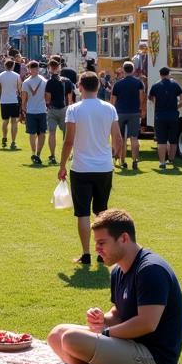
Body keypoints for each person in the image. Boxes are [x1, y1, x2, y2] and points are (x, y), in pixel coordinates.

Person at [48, 209, 182, 364]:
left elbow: (147, 323)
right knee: (56, 334)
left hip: (153, 359)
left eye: (102, 242)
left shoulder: (151, 270)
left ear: (124, 238)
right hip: (128, 346)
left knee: (71, 338)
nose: (97, 249)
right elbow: (119, 313)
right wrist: (103, 319)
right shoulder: (119, 270)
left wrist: (104, 333)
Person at [57, 71, 122, 266]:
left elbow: (68, 141)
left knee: (83, 213)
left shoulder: (74, 109)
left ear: (80, 87)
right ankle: (103, 254)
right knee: (102, 213)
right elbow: (118, 138)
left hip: (81, 167)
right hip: (103, 167)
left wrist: (61, 165)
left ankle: (86, 254)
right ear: (99, 87)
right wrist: (113, 155)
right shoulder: (109, 108)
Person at [148, 66, 182, 170]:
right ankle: (171, 160)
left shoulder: (155, 85)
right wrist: (178, 105)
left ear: (160, 75)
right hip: (173, 116)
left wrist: (156, 104)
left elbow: (151, 98)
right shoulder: (175, 84)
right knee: (173, 140)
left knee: (161, 141)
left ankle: (162, 162)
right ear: (169, 74)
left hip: (160, 116)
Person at [110, 60, 146, 170]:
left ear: (123, 70)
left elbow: (113, 100)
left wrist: (111, 112)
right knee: (134, 137)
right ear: (133, 70)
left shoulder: (117, 84)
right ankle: (135, 160)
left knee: (119, 137)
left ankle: (120, 160)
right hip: (134, 112)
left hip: (120, 112)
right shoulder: (139, 83)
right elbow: (142, 97)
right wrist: (142, 109)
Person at [44, 57, 76, 166]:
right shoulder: (67, 81)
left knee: (52, 133)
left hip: (53, 109)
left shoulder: (49, 82)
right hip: (64, 109)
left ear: (50, 68)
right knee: (66, 134)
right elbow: (70, 98)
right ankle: (67, 154)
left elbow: (47, 98)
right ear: (59, 67)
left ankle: (52, 155)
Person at [21, 60, 49, 164]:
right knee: (42, 133)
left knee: (32, 134)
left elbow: (24, 100)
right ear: (38, 69)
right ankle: (38, 153)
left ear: (29, 69)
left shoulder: (26, 82)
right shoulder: (44, 81)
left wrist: (23, 111)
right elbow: (47, 97)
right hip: (42, 110)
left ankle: (33, 153)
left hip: (31, 111)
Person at [0, 58, 23, 149]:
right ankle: (13, 141)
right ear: (13, 66)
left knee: (5, 121)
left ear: (5, 66)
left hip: (4, 100)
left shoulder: (1, 75)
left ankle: (4, 137)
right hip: (13, 100)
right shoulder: (16, 76)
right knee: (14, 121)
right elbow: (20, 88)